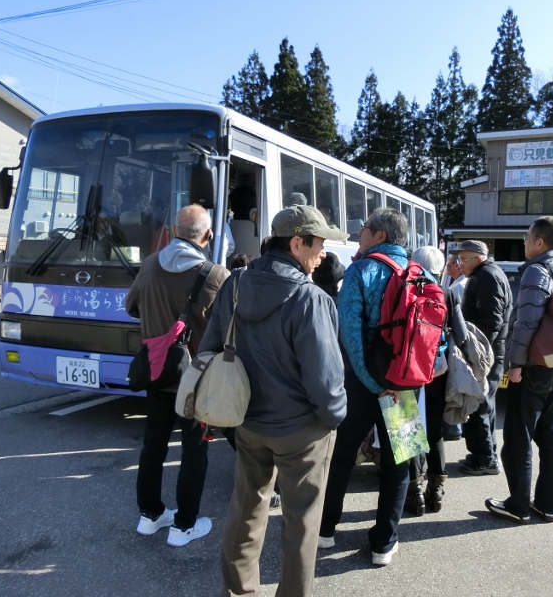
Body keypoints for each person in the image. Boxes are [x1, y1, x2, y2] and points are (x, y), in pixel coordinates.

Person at [200, 205, 348, 596]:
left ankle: (238, 591)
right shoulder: (310, 299)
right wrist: (334, 418)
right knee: (301, 522)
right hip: (301, 429)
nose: (324, 254)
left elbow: (210, 347)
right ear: (296, 243)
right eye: (319, 244)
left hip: (246, 419)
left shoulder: (234, 284)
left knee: (246, 508)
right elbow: (325, 381)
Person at [125, 204, 230, 547]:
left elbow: (131, 306)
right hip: (195, 379)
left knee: (152, 446)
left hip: (157, 370)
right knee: (194, 450)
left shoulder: (151, 264)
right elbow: (230, 330)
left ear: (171, 231)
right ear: (208, 235)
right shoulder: (216, 275)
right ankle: (184, 525)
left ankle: (150, 515)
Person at [319, 208, 411, 567]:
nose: (360, 232)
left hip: (360, 383)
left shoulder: (362, 270)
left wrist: (372, 382)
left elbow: (350, 335)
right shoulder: (422, 273)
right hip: (402, 386)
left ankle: (325, 531)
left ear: (381, 236)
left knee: (341, 455)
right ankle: (383, 544)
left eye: (365, 228)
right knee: (398, 461)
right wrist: (401, 382)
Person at [486, 216, 553, 524]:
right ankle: (546, 505)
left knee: (518, 436)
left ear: (539, 242)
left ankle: (518, 505)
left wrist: (515, 365)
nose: (525, 241)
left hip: (535, 367)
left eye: (527, 237)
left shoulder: (537, 272)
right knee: (550, 438)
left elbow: (527, 322)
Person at [403, 246, 468, 516]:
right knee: (434, 431)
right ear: (440, 268)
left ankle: (413, 491)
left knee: (408, 430)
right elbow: (462, 335)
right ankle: (436, 488)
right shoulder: (448, 293)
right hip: (436, 371)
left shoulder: (402, 289)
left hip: (405, 370)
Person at [452, 240, 512, 476]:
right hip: (489, 350)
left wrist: (476, 350)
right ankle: (483, 453)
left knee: (479, 403)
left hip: (486, 352)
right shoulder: (487, 273)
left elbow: (492, 321)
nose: (460, 264)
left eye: (464, 259)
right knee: (485, 403)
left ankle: (486, 459)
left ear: (478, 258)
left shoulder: (486, 277)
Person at [441, 253, 467, 441]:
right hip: (458, 340)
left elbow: (457, 323)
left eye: (450, 264)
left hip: (452, 342)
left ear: (458, 266)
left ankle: (453, 428)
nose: (447, 267)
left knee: (452, 387)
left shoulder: (456, 288)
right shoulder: (458, 285)